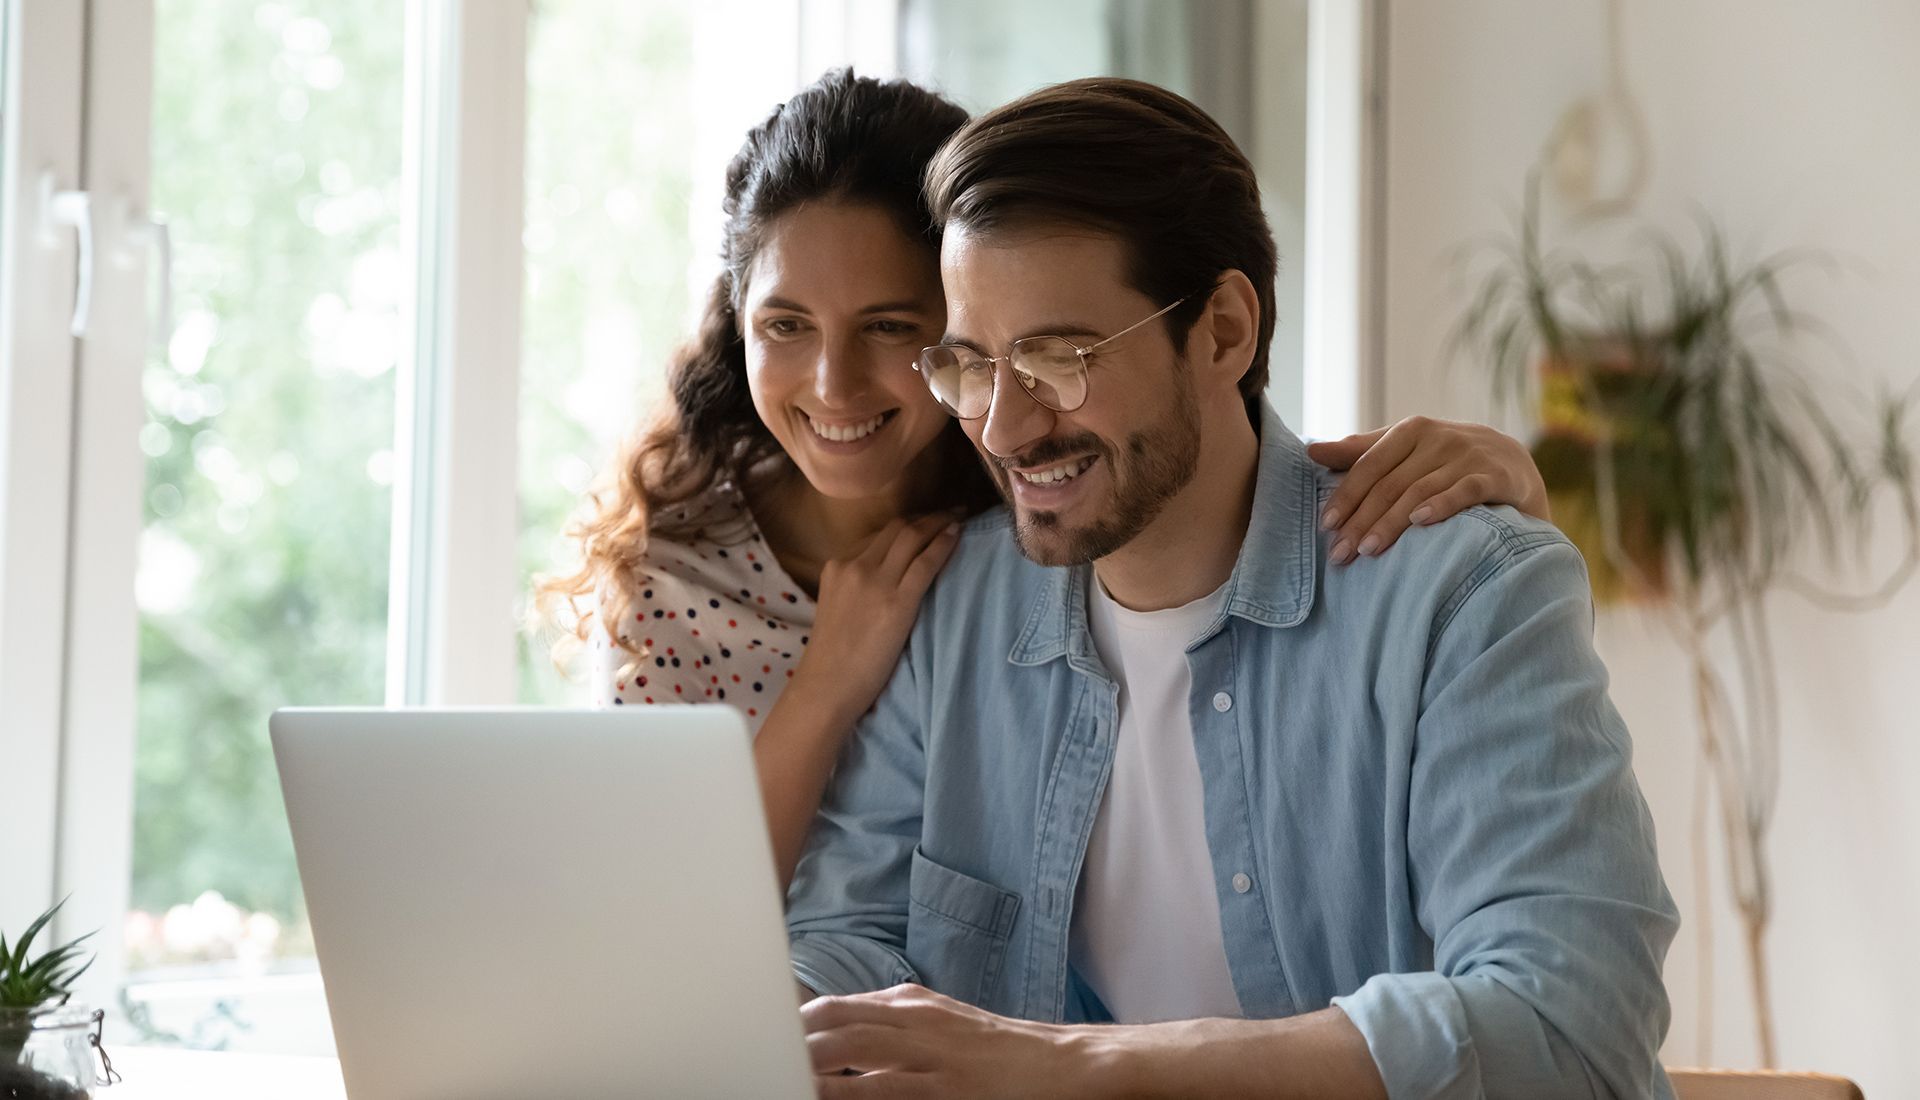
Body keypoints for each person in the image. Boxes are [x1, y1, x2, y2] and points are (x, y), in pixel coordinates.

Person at [783, 77, 1677, 1099]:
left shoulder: (1462, 598)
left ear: (1222, 331)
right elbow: (851, 935)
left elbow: (1570, 1025)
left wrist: (1078, 1066)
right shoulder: (953, 609)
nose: (1003, 427)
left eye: (1059, 357)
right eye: (975, 365)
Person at [539, 69, 1553, 890]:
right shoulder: (678, 579)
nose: (833, 382)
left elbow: (1198, 450)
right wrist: (827, 686)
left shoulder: (1031, 501)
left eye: (896, 327)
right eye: (784, 325)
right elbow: (661, 923)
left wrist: (1507, 480)